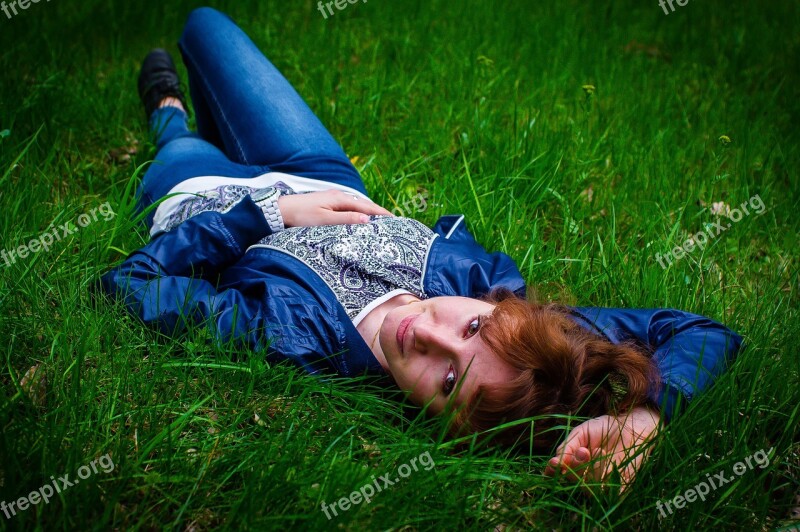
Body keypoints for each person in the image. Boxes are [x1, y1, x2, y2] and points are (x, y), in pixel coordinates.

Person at [99, 7, 742, 488]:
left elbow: (128, 285)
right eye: (471, 326)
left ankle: (169, 114)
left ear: (447, 429)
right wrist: (646, 417)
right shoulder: (502, 302)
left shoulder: (291, 339)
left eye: (450, 380)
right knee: (206, 23)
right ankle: (210, 121)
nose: (427, 334)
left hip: (201, 194)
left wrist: (265, 212)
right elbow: (699, 331)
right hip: (319, 169)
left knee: (181, 138)